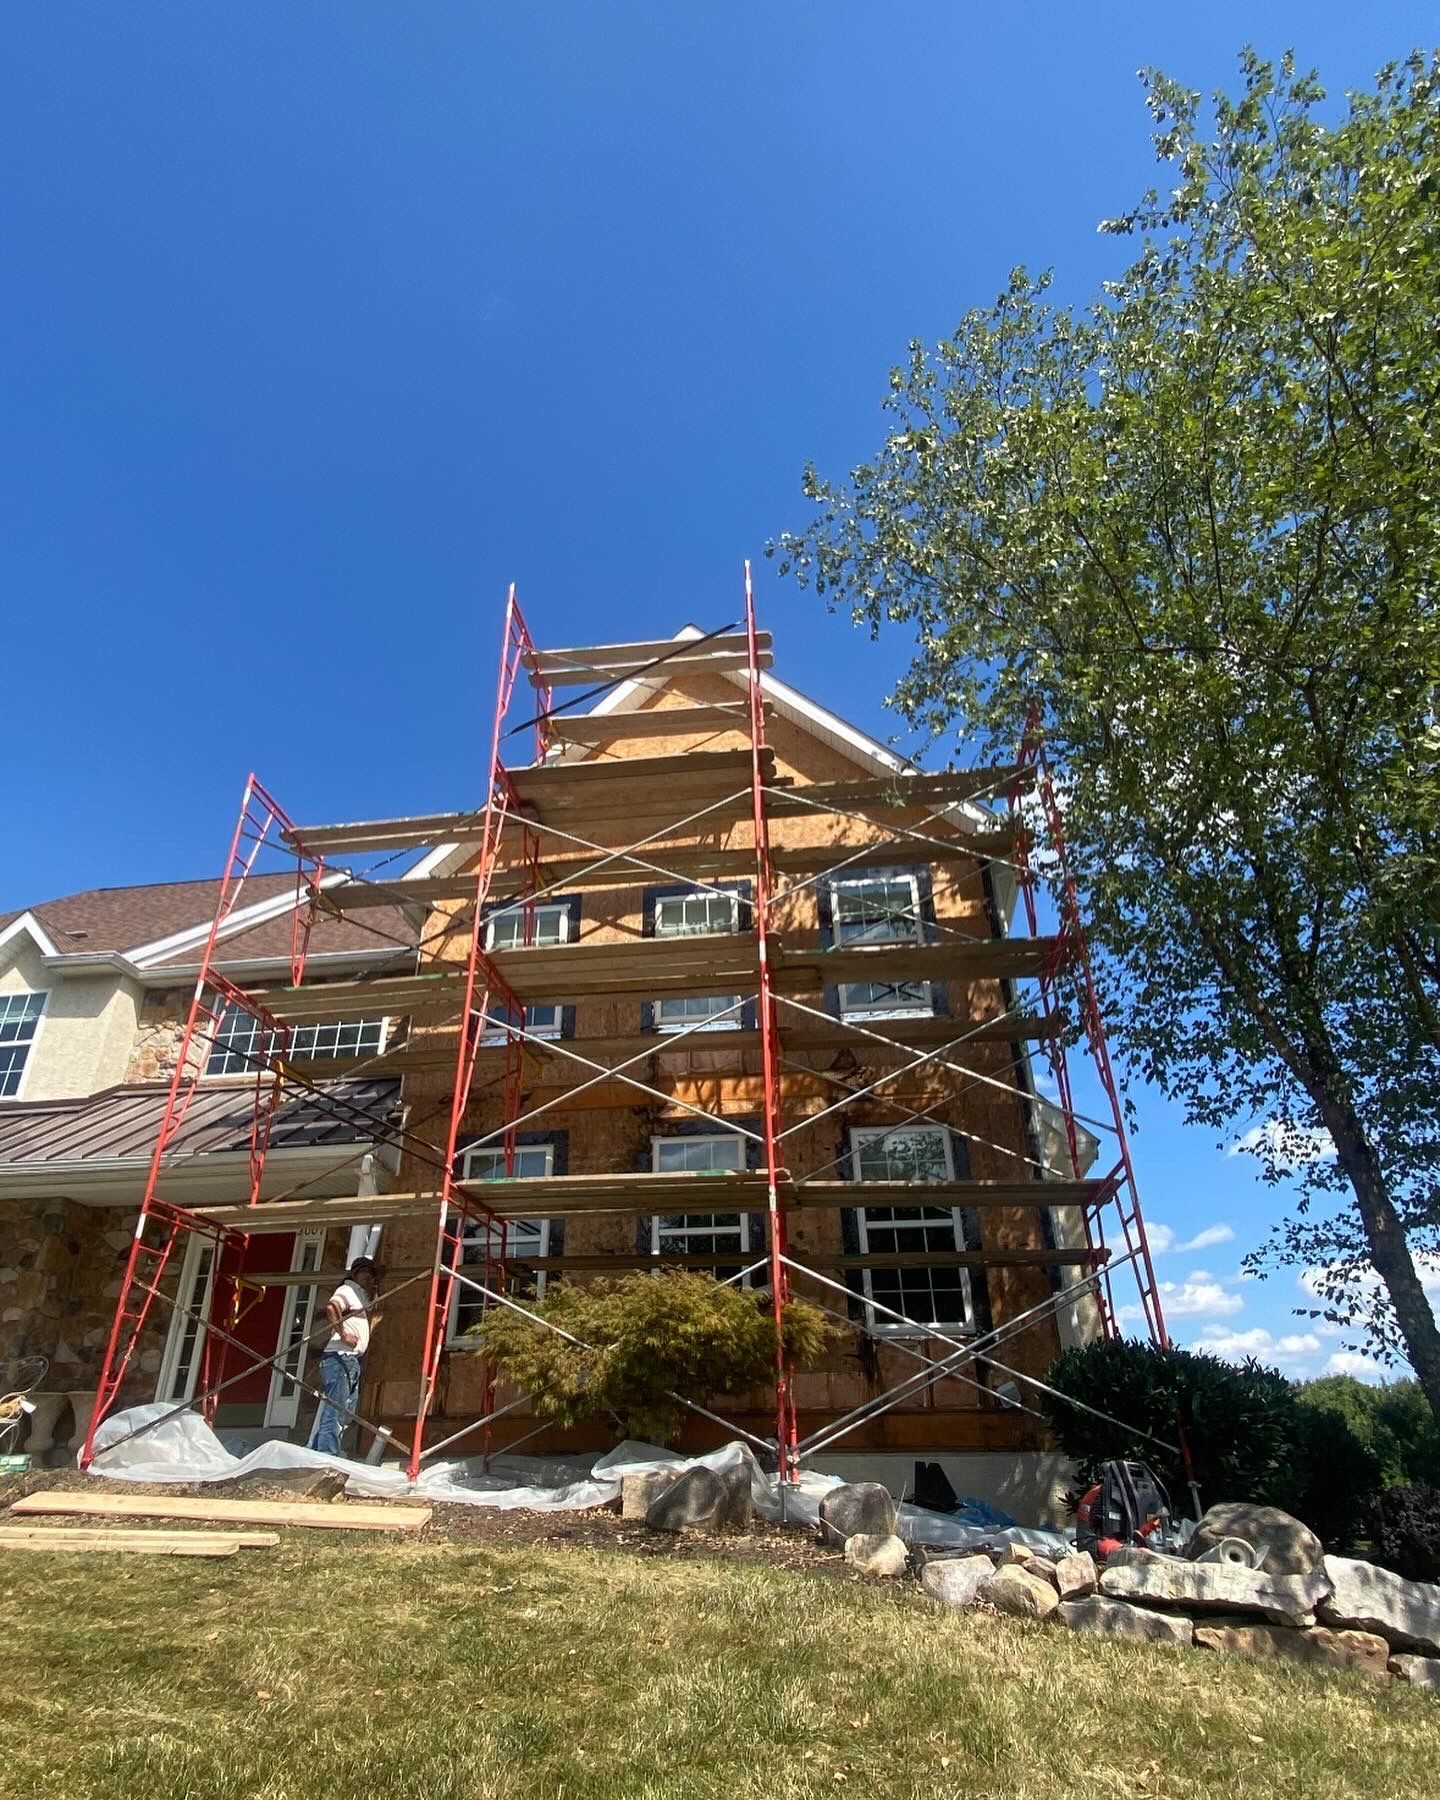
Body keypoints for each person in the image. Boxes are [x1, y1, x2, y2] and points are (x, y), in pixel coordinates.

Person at [306, 1257, 378, 1457]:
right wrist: (344, 1334)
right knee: (336, 1409)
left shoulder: (360, 1295)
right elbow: (332, 1307)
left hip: (350, 1360)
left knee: (345, 1410)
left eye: (371, 1274)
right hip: (340, 1357)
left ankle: (319, 1451)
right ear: (355, 1274)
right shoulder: (347, 1290)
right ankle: (327, 1454)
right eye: (365, 1272)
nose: (368, 1277)